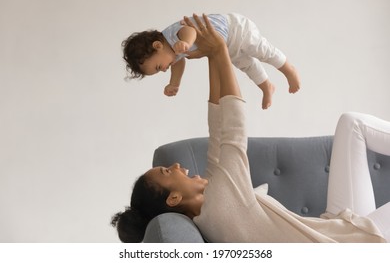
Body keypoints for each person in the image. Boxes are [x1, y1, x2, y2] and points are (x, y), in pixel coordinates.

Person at [112, 14, 390, 243]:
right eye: (166, 172)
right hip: (350, 245)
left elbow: (217, 129)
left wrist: (212, 57)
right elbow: (233, 129)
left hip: (336, 227)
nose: (175, 165)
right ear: (173, 198)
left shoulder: (209, 207)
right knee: (353, 122)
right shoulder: (220, 202)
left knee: (352, 123)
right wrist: (220, 50)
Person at [121, 13, 300, 109]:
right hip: (226, 46)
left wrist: (187, 43)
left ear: (158, 46)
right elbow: (178, 64)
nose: (164, 69)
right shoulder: (173, 54)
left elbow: (189, 31)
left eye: (159, 67)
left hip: (236, 29)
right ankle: (266, 86)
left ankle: (288, 69)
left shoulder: (172, 35)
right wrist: (174, 83)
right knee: (246, 65)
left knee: (262, 50)